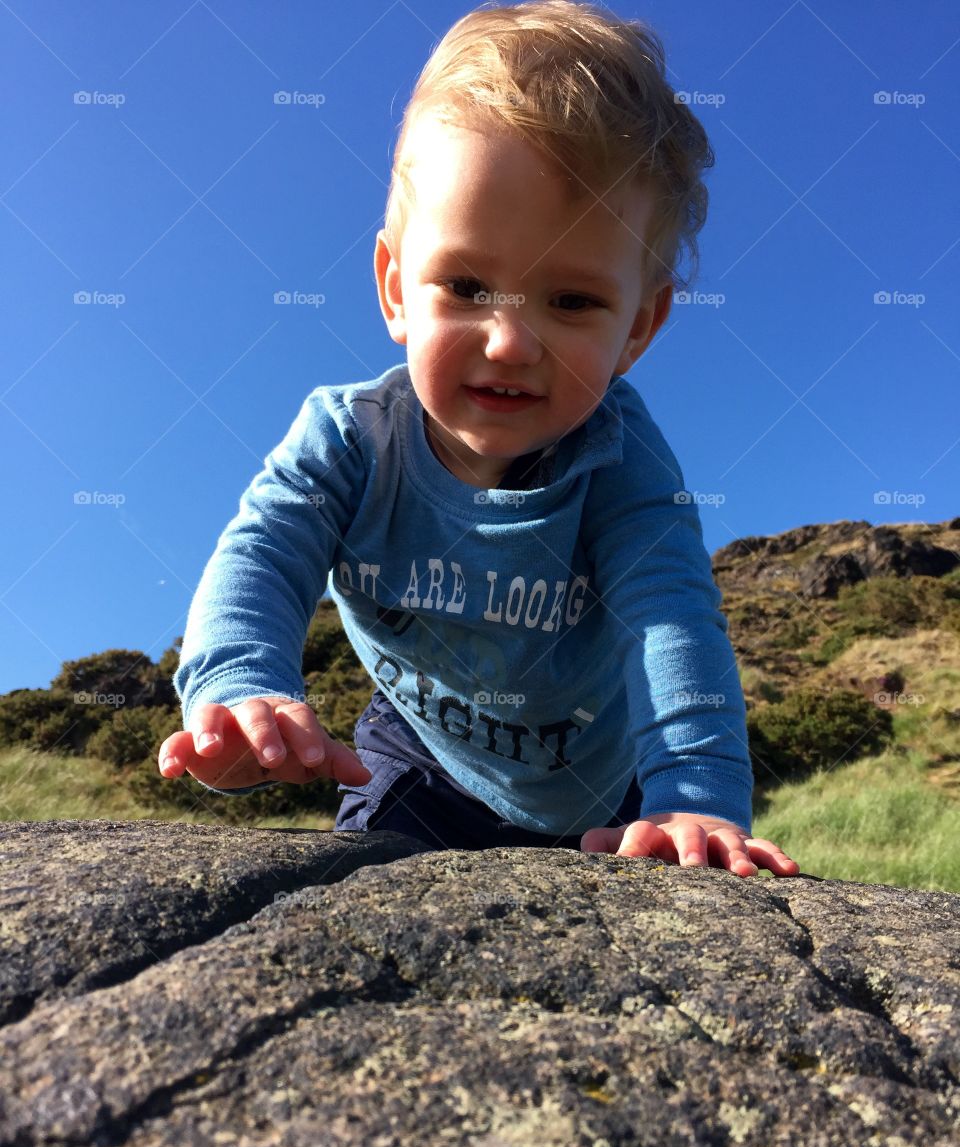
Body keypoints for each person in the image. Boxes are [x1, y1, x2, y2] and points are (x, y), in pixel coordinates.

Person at [158, 0, 799, 878]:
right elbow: (263, 554)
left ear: (638, 329)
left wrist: (692, 794)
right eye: (464, 285)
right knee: (364, 907)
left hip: (603, 786)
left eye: (572, 302)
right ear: (394, 288)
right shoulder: (351, 440)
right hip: (418, 758)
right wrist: (239, 693)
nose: (509, 342)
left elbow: (671, 614)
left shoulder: (620, 461)